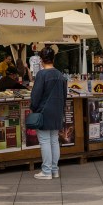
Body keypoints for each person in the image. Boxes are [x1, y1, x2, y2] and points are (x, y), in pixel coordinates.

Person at [30, 46, 67, 179]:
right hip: (57, 112)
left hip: (44, 112)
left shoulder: (42, 74)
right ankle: (54, 170)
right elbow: (64, 95)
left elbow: (35, 96)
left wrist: (33, 108)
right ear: (53, 58)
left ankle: (46, 171)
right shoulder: (60, 75)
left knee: (45, 141)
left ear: (41, 60)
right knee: (54, 141)